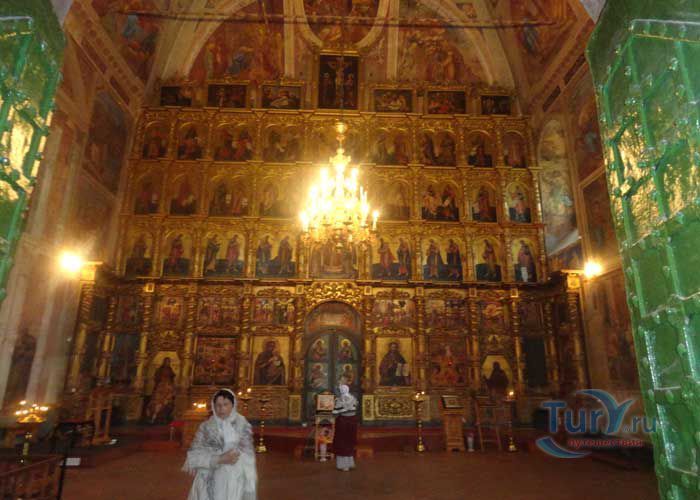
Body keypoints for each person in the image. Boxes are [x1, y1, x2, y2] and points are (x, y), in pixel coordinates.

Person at [183, 389, 257, 500]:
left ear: (233, 405)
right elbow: (194, 454)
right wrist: (219, 459)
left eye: (225, 404)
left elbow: (248, 453)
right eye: (218, 405)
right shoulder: (206, 427)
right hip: (210, 476)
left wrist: (249, 480)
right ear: (213, 406)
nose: (221, 409)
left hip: (235, 476)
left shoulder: (242, 424)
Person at [332, 384, 358, 472]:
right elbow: (354, 409)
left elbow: (335, 412)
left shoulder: (339, 400)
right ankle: (350, 463)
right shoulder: (354, 399)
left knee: (342, 442)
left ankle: (343, 465)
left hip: (343, 422)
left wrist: (335, 412)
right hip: (352, 422)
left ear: (341, 391)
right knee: (350, 441)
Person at [146, 358, 176, 423]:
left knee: (166, 403)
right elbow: (156, 377)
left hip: (167, 390)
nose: (167, 363)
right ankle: (153, 417)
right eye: (166, 361)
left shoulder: (170, 370)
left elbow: (172, 378)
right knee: (157, 403)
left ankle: (162, 417)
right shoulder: (160, 370)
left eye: (169, 362)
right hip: (160, 389)